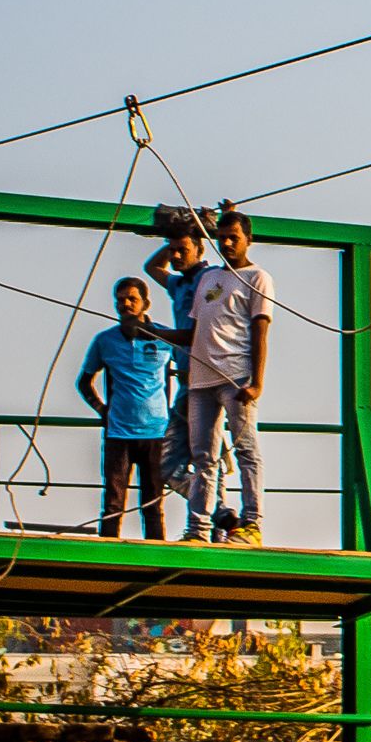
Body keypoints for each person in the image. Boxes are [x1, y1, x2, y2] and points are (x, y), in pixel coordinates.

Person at [174, 206, 274, 545]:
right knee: (204, 457)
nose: (228, 243)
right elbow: (196, 331)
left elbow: (260, 332)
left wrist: (256, 382)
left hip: (235, 378)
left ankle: (251, 524)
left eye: (234, 238)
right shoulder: (208, 278)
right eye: (223, 238)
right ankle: (199, 528)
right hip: (201, 380)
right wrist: (151, 331)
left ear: (248, 240)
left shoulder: (258, 277)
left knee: (246, 450)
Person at [141, 217, 241, 529]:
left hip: (207, 377)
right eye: (173, 251)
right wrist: (176, 237)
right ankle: (219, 511)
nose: (175, 256)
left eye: (183, 250)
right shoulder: (179, 283)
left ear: (199, 250)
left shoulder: (208, 279)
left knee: (207, 456)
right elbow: (152, 268)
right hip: (187, 381)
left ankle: (214, 519)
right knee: (167, 465)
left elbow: (232, 269)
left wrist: (206, 229)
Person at [74, 275, 182, 538]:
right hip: (119, 433)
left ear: (145, 302)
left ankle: (157, 555)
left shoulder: (163, 337)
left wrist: (181, 414)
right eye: (120, 301)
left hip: (156, 431)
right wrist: (102, 409)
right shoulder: (105, 341)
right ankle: (106, 554)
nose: (126, 305)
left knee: (153, 502)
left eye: (132, 299)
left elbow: (188, 372)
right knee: (113, 501)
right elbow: (84, 382)